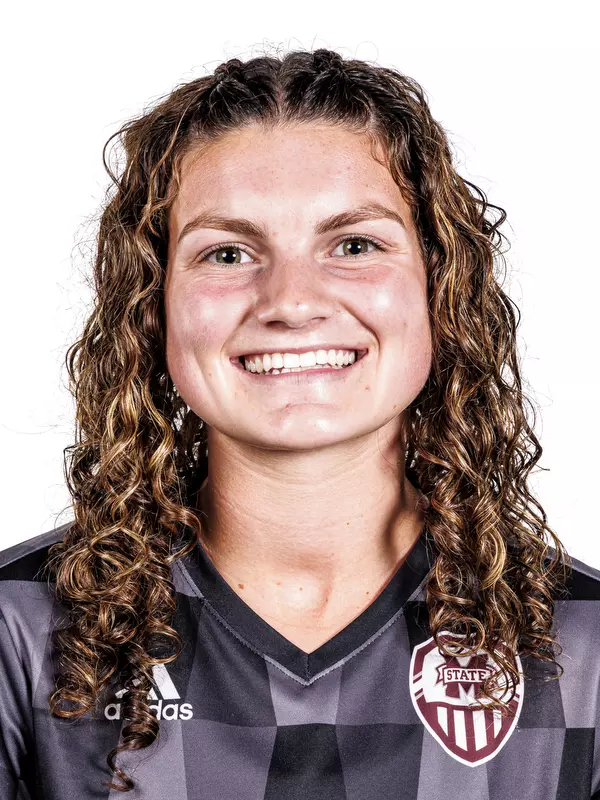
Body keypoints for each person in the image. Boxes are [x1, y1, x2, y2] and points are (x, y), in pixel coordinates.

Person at [0, 47, 598, 800]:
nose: (290, 300)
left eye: (354, 245)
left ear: (442, 288)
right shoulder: (17, 626)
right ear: (150, 306)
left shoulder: (587, 641)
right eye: (226, 252)